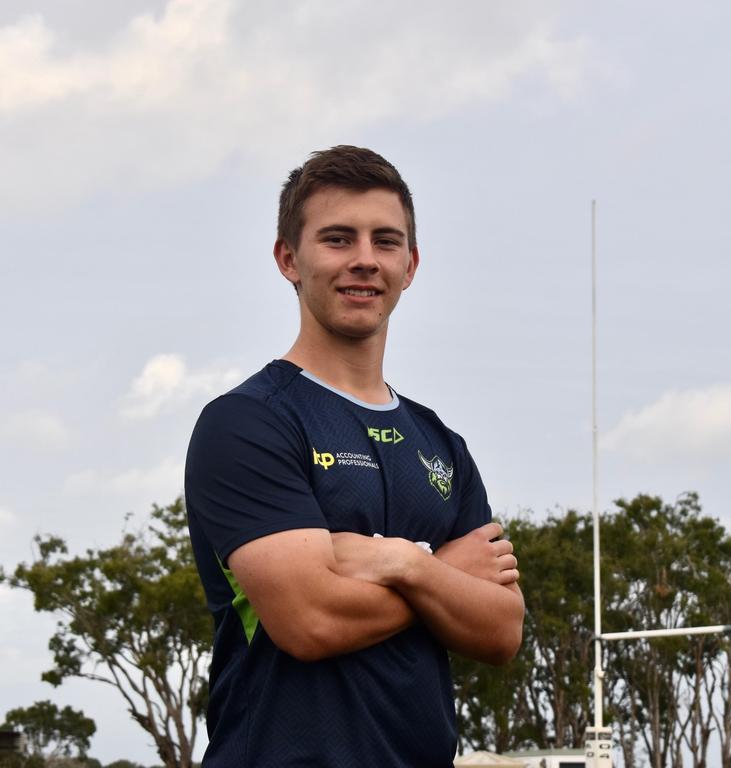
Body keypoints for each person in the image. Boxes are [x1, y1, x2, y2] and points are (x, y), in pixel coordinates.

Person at [184, 145, 525, 767]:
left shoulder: (442, 445)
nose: (365, 260)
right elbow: (311, 619)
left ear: (411, 264)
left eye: (385, 241)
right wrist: (447, 574)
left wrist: (405, 564)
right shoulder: (248, 422)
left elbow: (501, 630)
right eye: (338, 239)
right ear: (290, 258)